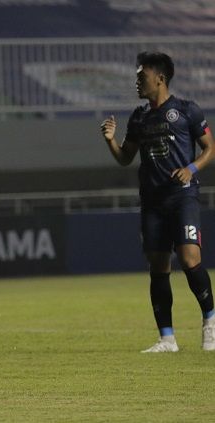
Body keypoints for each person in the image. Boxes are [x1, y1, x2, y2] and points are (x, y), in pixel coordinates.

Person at [101, 52, 215, 353]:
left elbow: (209, 148)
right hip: (152, 201)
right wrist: (111, 140)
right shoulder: (139, 117)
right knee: (158, 267)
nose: (137, 83)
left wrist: (190, 169)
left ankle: (210, 323)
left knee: (191, 259)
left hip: (183, 197)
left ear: (160, 78)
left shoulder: (187, 111)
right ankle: (167, 338)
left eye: (142, 77)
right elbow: (126, 158)